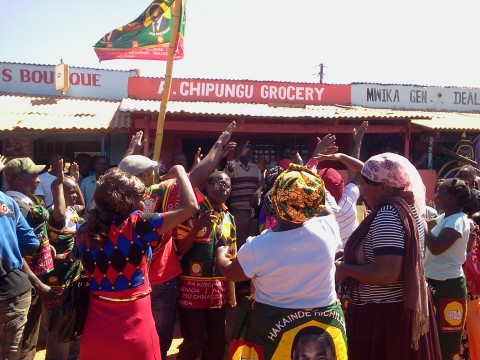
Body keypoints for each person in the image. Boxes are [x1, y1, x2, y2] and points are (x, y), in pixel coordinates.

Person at [119, 122, 236, 359]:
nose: (157, 172)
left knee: (130, 337)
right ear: (142, 176)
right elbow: (195, 179)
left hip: (125, 282)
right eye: (152, 169)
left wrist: (129, 155)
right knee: (159, 341)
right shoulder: (155, 195)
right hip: (161, 278)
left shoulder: (109, 201)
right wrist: (217, 145)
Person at [217, 164, 347, 360]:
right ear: (313, 203)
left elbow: (230, 272)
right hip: (327, 326)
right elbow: (324, 206)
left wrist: (220, 251)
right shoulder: (327, 228)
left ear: (274, 201)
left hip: (273, 328)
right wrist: (307, 171)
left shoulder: (258, 246)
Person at [74, 168, 198, 360]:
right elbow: (191, 208)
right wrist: (181, 172)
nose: (143, 203)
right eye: (140, 197)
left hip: (96, 328)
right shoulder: (139, 225)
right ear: (125, 200)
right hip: (136, 325)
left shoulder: (83, 232)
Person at [335, 152, 441, 360]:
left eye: (366, 188)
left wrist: (344, 269)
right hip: (396, 314)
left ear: (384, 187)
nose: (363, 194)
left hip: (385, 318)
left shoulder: (388, 215)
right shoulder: (408, 209)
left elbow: (386, 274)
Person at [176, 171, 236, 360]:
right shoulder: (193, 211)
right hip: (192, 288)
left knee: (217, 342)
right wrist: (197, 227)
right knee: (194, 341)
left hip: (218, 289)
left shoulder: (230, 218)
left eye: (227, 184)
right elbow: (181, 250)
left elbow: (232, 257)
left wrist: (231, 296)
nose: (223, 187)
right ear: (207, 187)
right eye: (218, 183)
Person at [4, 157, 58, 360]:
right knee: (24, 342)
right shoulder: (18, 207)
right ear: (18, 180)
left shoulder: (21, 203)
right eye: (34, 175)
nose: (38, 180)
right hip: (25, 283)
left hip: (24, 283)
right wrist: (38, 285)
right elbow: (15, 251)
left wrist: (46, 246)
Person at [425, 177, 477, 360]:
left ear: (451, 198)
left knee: (447, 342)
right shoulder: (443, 218)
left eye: (440, 191)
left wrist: (421, 225)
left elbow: (438, 247)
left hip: (448, 287)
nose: (436, 194)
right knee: (432, 338)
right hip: (433, 283)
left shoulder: (458, 221)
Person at [44, 159, 85, 360]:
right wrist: (59, 181)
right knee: (59, 326)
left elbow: (82, 204)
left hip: (73, 280)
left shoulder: (72, 211)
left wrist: (74, 181)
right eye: (70, 191)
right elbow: (59, 212)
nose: (74, 194)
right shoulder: (55, 213)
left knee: (71, 323)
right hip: (58, 282)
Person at [0, 155, 40, 360]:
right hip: (13, 287)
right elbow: (31, 242)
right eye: (34, 175)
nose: (39, 179)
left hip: (14, 289)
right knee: (12, 351)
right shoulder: (9, 203)